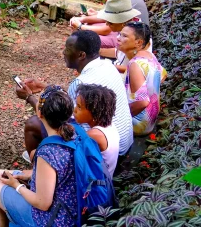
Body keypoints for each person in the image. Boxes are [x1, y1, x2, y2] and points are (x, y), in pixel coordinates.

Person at [16, 30, 133, 158]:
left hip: (101, 154)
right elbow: (82, 95)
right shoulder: (107, 66)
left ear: (81, 55)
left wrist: (29, 97)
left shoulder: (80, 82)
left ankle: (39, 162)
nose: (64, 52)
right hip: (121, 145)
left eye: (68, 49)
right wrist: (43, 87)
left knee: (33, 123)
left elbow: (58, 119)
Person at [0, 86, 77, 227]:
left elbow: (43, 203)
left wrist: (17, 186)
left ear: (39, 113)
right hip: (68, 206)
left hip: (51, 219)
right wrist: (29, 176)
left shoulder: (48, 152)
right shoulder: (75, 134)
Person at [70, 0, 149, 49]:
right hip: (131, 31)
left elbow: (106, 30)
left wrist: (80, 26)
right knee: (89, 25)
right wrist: (84, 19)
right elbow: (111, 19)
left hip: (135, 38)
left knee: (81, 37)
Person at [117, 22, 167, 136]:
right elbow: (163, 74)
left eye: (124, 36)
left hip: (139, 124)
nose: (118, 38)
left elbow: (142, 102)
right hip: (150, 120)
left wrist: (119, 116)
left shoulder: (135, 64)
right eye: (119, 34)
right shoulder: (149, 56)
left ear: (138, 43)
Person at [73, 84, 119, 177]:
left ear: (94, 112)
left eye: (79, 107)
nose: (75, 110)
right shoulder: (109, 126)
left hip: (95, 186)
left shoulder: (93, 135)